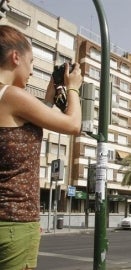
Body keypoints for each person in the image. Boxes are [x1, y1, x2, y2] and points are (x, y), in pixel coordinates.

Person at [0, 25, 83, 270]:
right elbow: (73, 124)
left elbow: (22, 124)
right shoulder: (10, 95)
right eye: (32, 61)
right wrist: (74, 87)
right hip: (14, 223)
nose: (32, 69)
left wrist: (49, 98)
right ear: (16, 57)